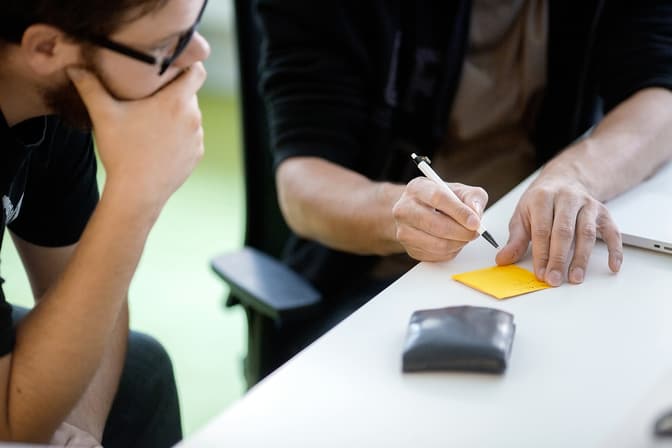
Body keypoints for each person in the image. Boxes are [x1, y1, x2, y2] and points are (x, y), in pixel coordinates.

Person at [254, 0, 672, 356]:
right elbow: (301, 183)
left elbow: (660, 96)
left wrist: (574, 175)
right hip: (379, 281)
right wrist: (397, 213)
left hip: (538, 264)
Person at [0, 0, 210, 445]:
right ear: (46, 48)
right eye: (165, 46)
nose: (198, 55)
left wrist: (81, 428)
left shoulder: (54, 102)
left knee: (141, 369)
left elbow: (82, 290)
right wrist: (136, 192)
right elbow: (12, 421)